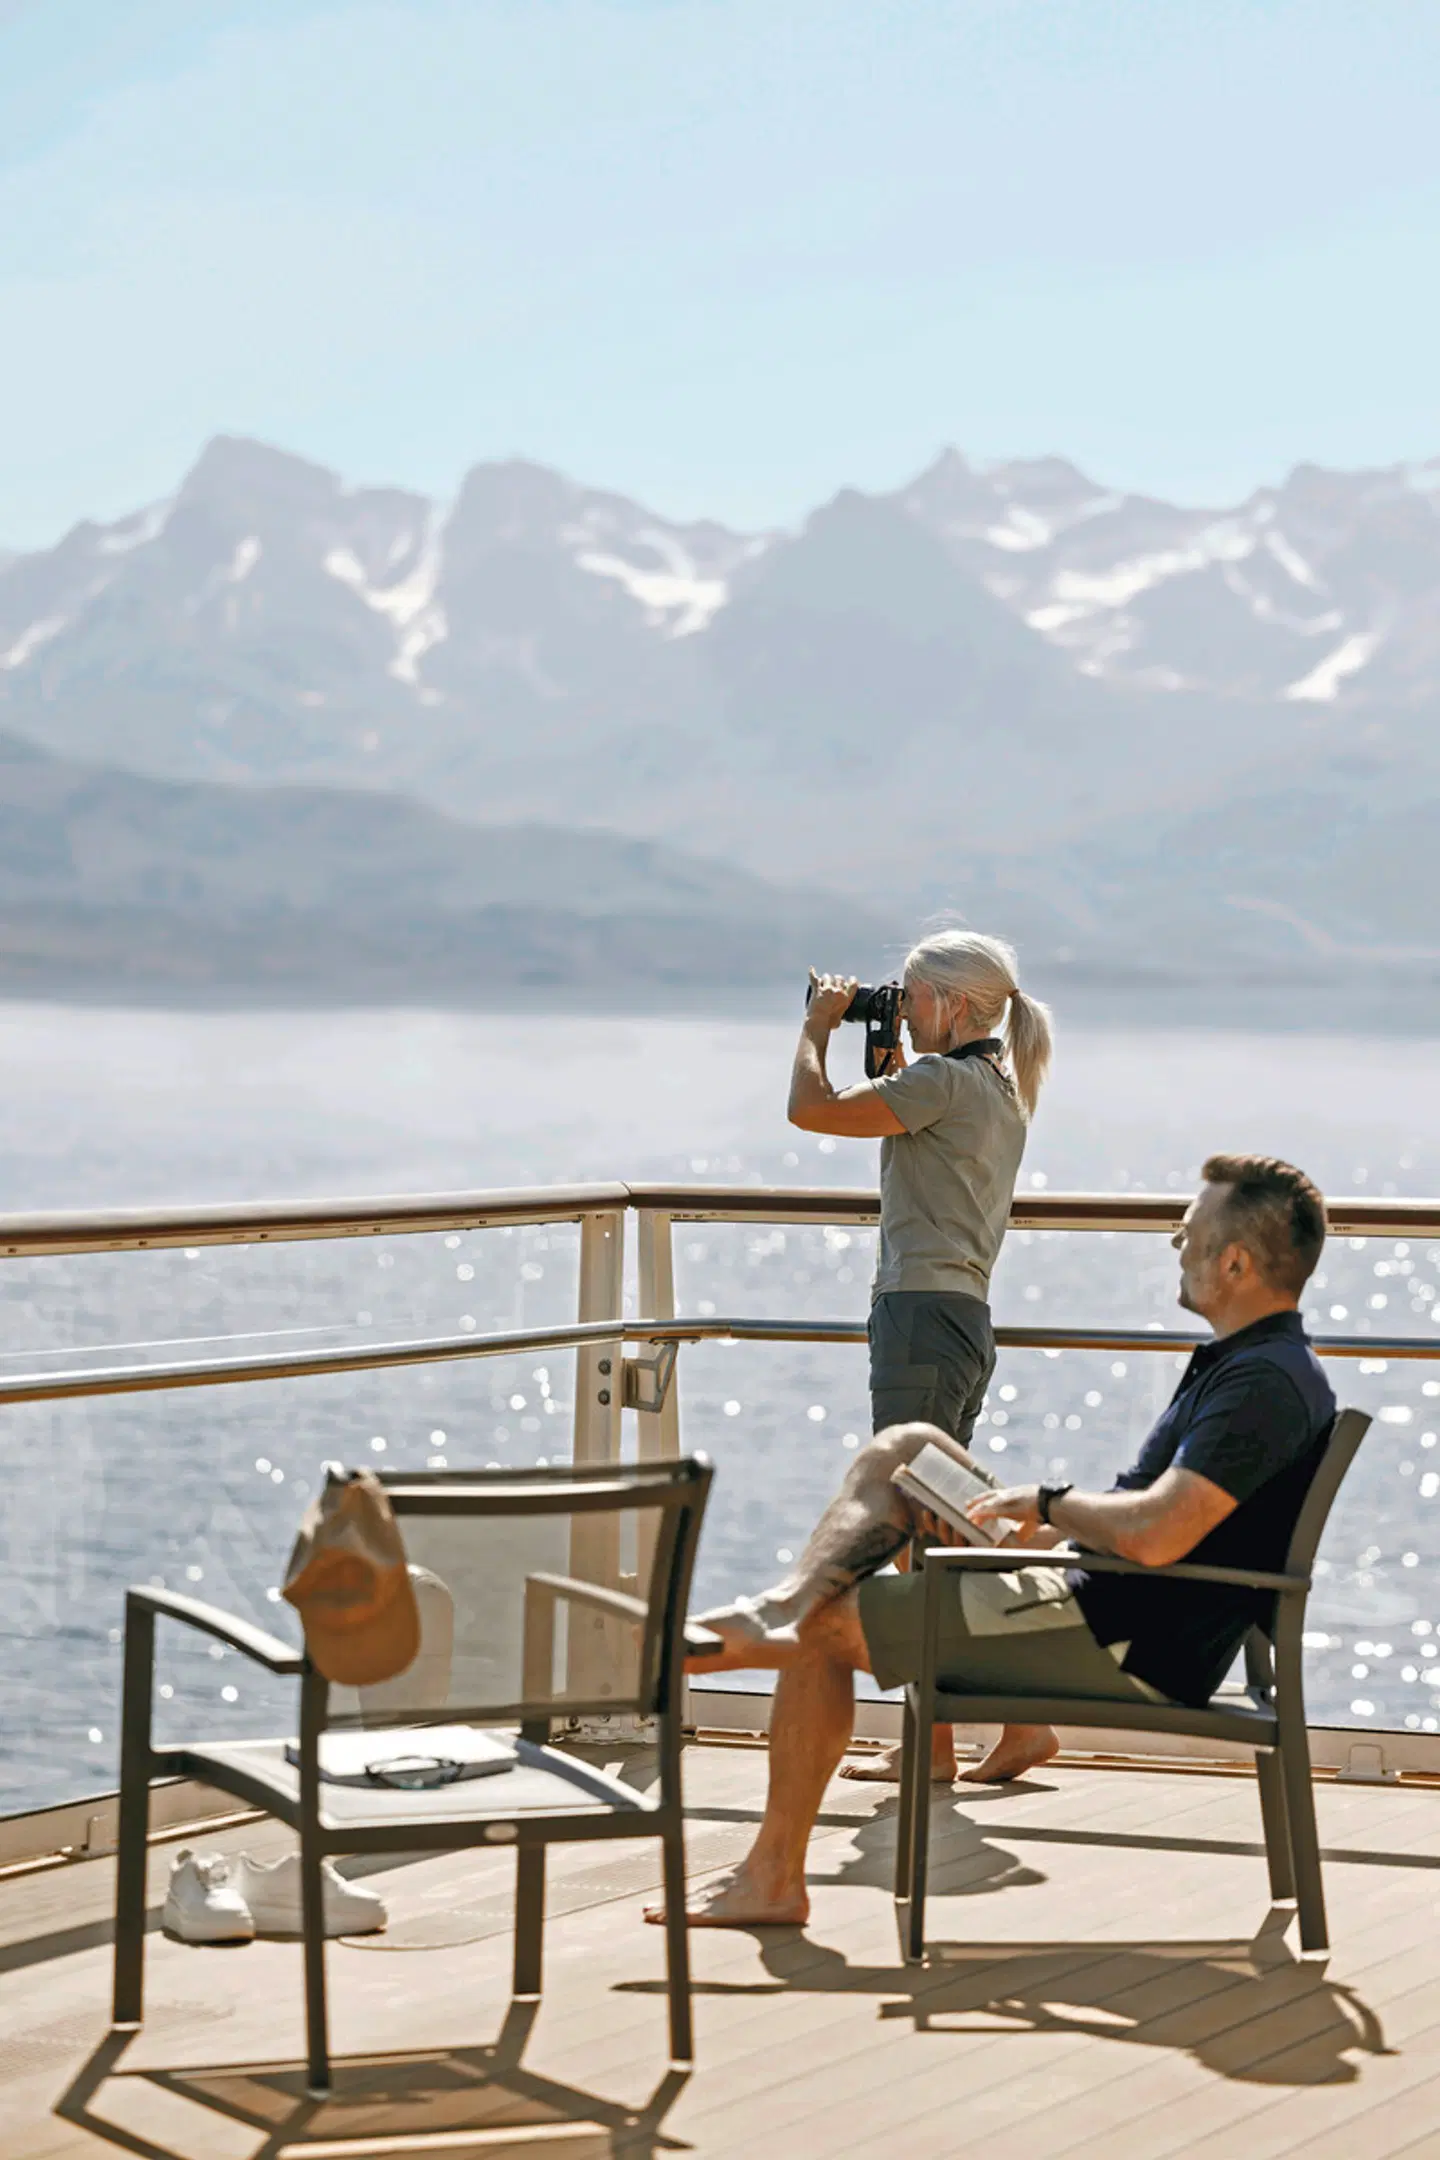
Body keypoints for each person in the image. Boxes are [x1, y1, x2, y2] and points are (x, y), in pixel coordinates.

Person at [659, 1154, 1334, 1928]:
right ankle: (778, 1608)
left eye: (1188, 1234)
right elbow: (1164, 1523)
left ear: (1236, 1262)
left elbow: (1156, 1537)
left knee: (826, 1628)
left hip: (1113, 1638)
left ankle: (772, 1872)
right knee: (907, 1448)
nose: (1176, 1246)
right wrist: (1048, 1524)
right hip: (1101, 1601)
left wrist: (1053, 1506)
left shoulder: (1260, 1385)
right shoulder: (1259, 1364)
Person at [727, 928, 1055, 1784]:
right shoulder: (991, 1084)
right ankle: (1014, 1722)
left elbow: (812, 1109)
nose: (902, 1010)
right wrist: (881, 1037)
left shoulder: (940, 1084)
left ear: (952, 1004)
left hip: (920, 1322)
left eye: (910, 998)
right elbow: (893, 1098)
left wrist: (817, 1026)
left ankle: (939, 1744)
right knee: (947, 1530)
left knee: (911, 1530)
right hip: (962, 1321)